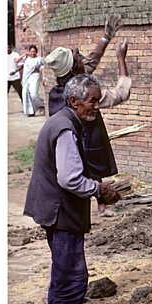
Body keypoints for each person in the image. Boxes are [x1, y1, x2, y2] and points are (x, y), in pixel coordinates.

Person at [24, 74, 121, 304]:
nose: (96, 107)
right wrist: (99, 189)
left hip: (53, 209)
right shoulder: (66, 128)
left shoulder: (64, 121)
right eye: (92, 101)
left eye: (98, 101)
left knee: (61, 274)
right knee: (73, 277)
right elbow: (70, 179)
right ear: (74, 101)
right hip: (61, 212)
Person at [44, 17, 128, 217]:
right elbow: (121, 93)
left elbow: (90, 62)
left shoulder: (61, 89)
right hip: (81, 137)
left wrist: (106, 38)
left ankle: (99, 205)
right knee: (88, 167)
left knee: (87, 166)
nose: (83, 58)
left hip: (76, 138)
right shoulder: (83, 94)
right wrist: (121, 59)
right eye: (78, 57)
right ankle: (99, 203)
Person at [17, 44, 45, 116]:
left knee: (33, 93)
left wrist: (44, 78)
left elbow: (42, 68)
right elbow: (16, 61)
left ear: (36, 52)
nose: (33, 53)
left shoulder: (39, 59)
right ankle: (30, 111)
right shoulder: (26, 58)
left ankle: (42, 104)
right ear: (29, 51)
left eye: (34, 51)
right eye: (31, 51)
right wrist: (24, 54)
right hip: (26, 78)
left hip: (35, 76)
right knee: (25, 93)